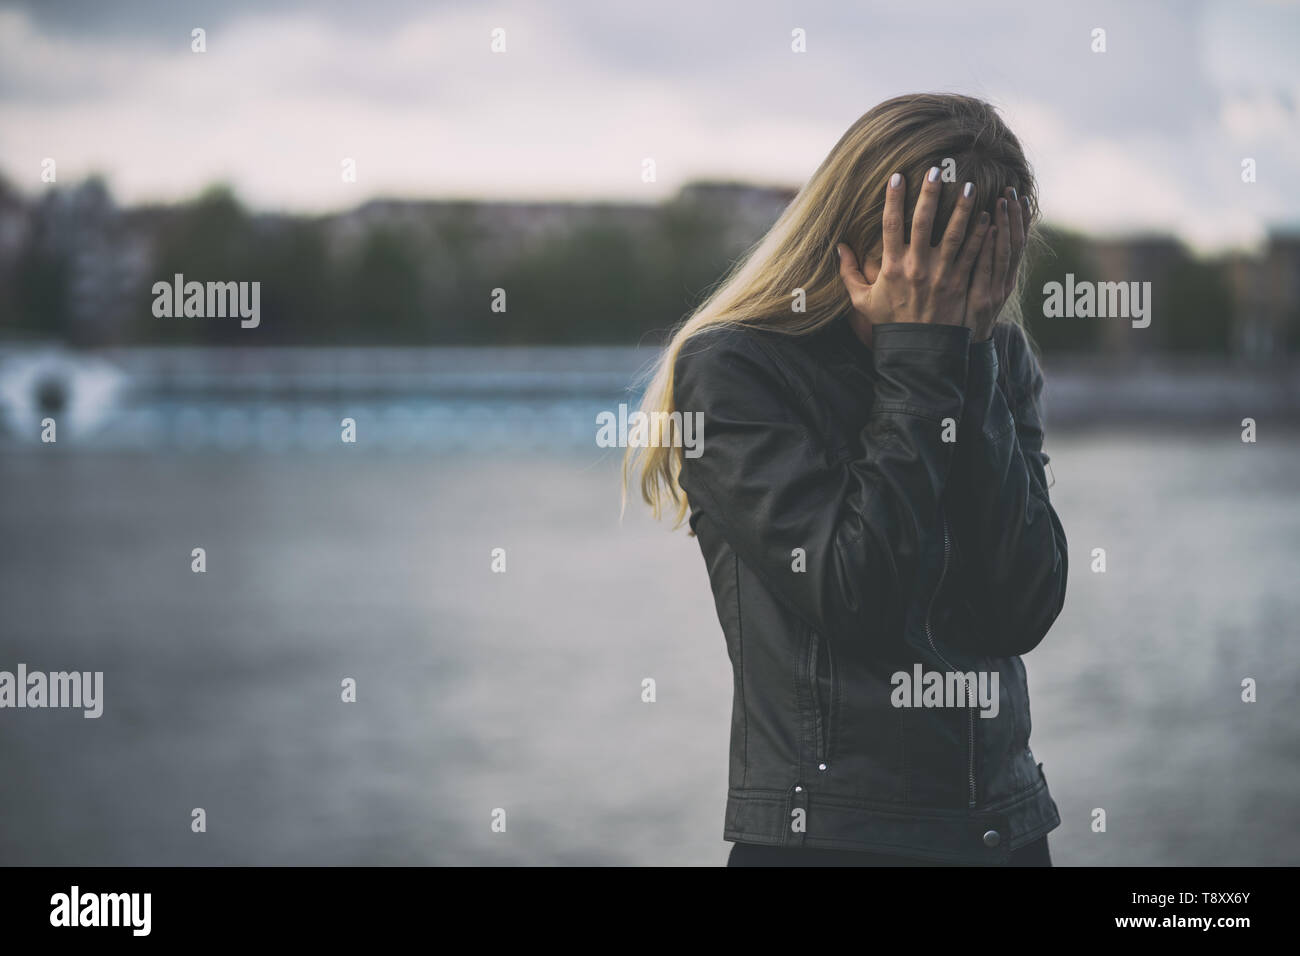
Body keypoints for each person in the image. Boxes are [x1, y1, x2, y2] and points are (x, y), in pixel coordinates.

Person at [625, 93, 1069, 866]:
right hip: (827, 841)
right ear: (854, 252)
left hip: (1002, 833)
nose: (943, 302)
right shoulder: (737, 370)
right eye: (921, 273)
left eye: (968, 276)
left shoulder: (993, 360)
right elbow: (854, 591)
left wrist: (963, 360)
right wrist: (922, 357)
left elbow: (1022, 608)